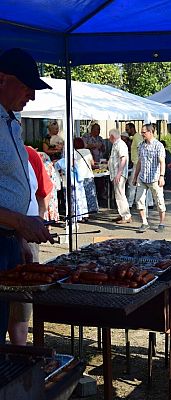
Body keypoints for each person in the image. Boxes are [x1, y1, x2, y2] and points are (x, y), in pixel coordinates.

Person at [0, 47, 54, 344]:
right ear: (1, 80)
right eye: (26, 86)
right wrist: (19, 222)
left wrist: (18, 235)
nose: (31, 96)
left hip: (7, 241)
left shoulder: (11, 122)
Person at [9, 146, 53, 345]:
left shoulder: (30, 154)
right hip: (9, 234)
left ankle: (20, 351)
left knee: (22, 305)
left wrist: (38, 221)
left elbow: (44, 192)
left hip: (26, 237)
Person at [133, 124, 166, 233]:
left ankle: (161, 223)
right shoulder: (141, 145)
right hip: (142, 177)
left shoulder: (158, 146)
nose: (142, 134)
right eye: (142, 132)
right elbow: (139, 162)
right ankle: (144, 222)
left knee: (159, 201)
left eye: (144, 132)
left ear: (150, 132)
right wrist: (135, 176)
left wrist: (161, 176)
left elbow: (162, 162)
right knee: (139, 200)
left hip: (154, 178)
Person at [108, 129, 131, 224]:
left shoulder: (120, 144)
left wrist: (118, 173)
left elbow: (123, 159)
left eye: (109, 136)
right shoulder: (116, 144)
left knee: (120, 195)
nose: (109, 138)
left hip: (119, 174)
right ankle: (122, 213)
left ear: (112, 136)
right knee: (119, 195)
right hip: (116, 174)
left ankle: (126, 215)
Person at [73, 137, 98, 216]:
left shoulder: (74, 152)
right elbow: (92, 163)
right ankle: (92, 210)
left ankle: (83, 212)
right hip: (88, 175)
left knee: (81, 196)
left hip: (79, 176)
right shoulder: (87, 151)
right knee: (90, 194)